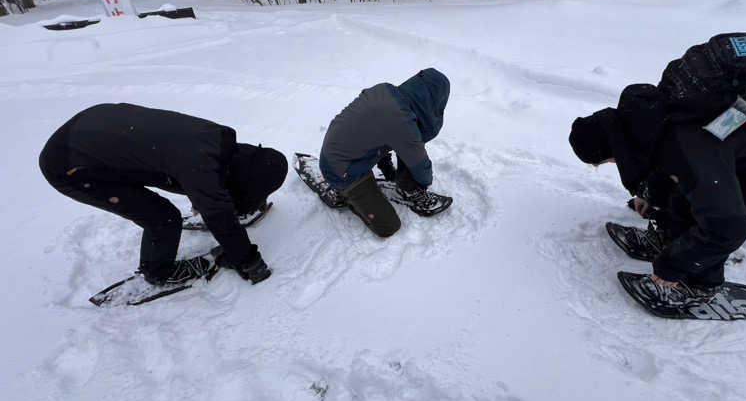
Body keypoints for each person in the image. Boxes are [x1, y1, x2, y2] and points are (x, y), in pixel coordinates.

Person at [569, 30, 746, 309]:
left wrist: (671, 266)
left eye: (609, 161)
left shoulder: (686, 146)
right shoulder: (659, 111)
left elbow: (729, 226)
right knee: (696, 183)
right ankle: (671, 238)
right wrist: (652, 196)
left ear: (615, 150)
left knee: (718, 214)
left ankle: (698, 286)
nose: (614, 165)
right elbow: (677, 157)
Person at [39, 103, 288, 285]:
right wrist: (247, 260)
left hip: (95, 130)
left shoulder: (218, 139)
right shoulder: (199, 167)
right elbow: (218, 212)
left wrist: (216, 199)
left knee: (176, 176)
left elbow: (205, 178)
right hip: (69, 165)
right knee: (163, 217)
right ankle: (158, 272)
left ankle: (220, 199)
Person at [319, 68, 450, 237]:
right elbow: (418, 161)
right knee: (388, 226)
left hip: (339, 150)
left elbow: (374, 129)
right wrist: (424, 183)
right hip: (341, 169)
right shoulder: (402, 121)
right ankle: (342, 192)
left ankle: (404, 186)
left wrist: (385, 163)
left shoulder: (386, 91)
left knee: (407, 139)